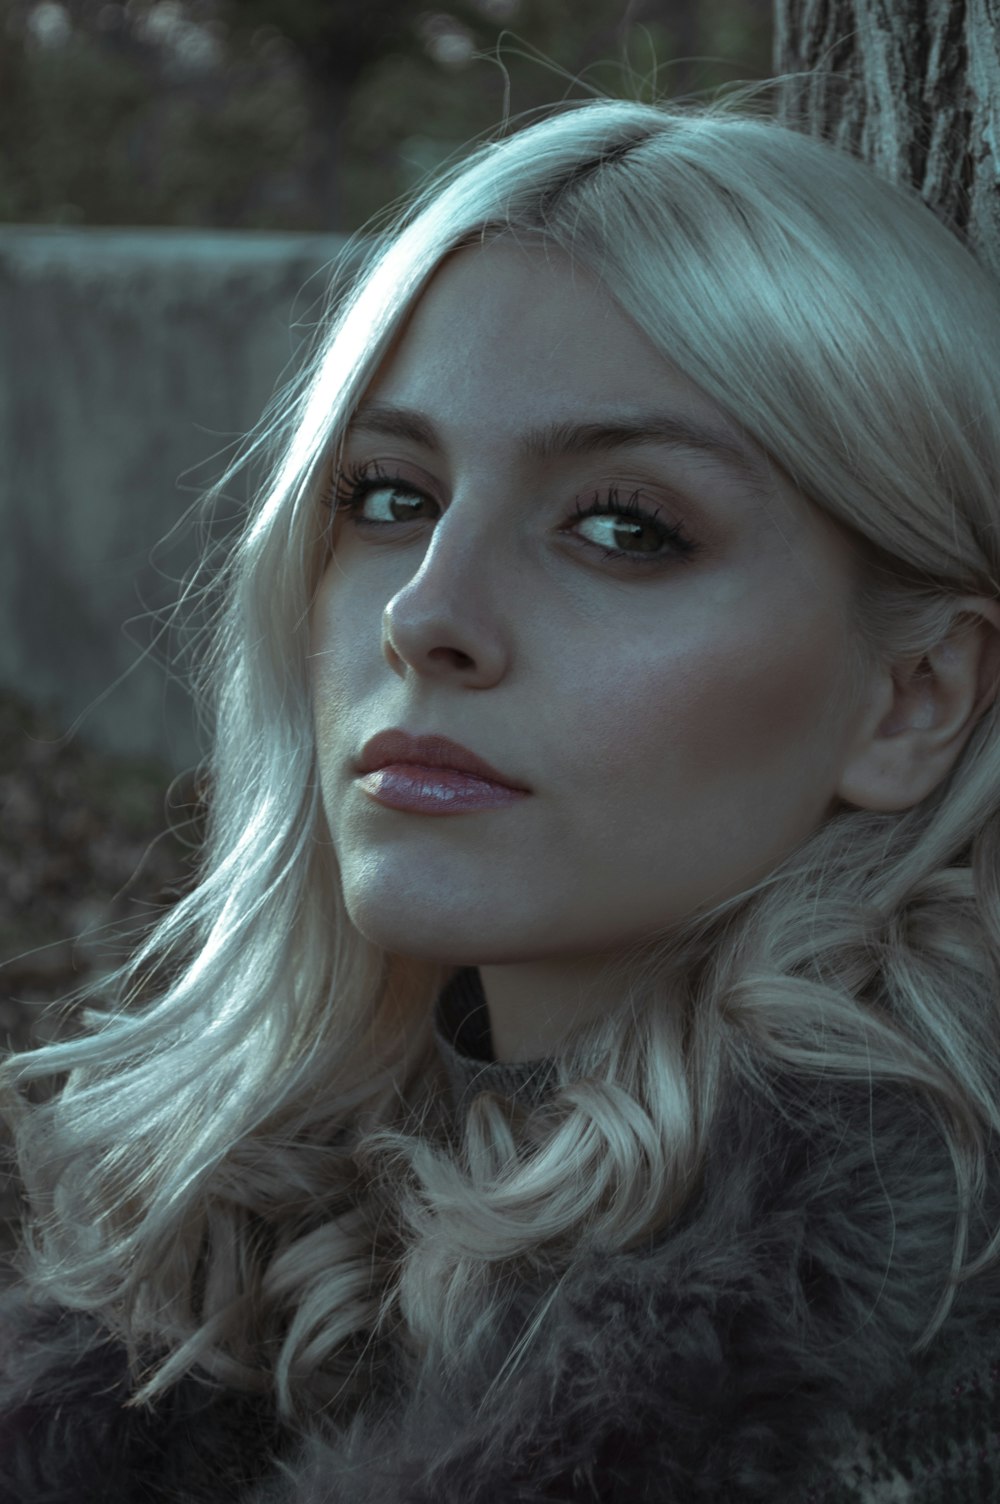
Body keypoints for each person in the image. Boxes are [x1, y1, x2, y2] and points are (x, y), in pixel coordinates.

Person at [2, 79, 1000, 1504]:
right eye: (391, 496)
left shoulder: (921, 1409)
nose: (426, 612)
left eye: (622, 527)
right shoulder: (223, 1260)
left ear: (916, 697)